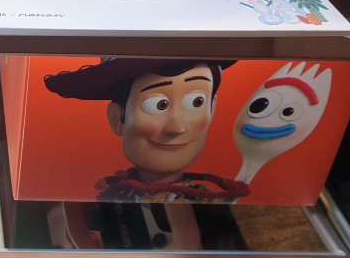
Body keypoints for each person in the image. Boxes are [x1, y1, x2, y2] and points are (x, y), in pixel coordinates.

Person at [44, 58, 249, 203]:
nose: (177, 127)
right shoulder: (111, 196)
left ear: (212, 109)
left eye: (197, 102)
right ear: (116, 118)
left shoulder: (211, 202)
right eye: (158, 105)